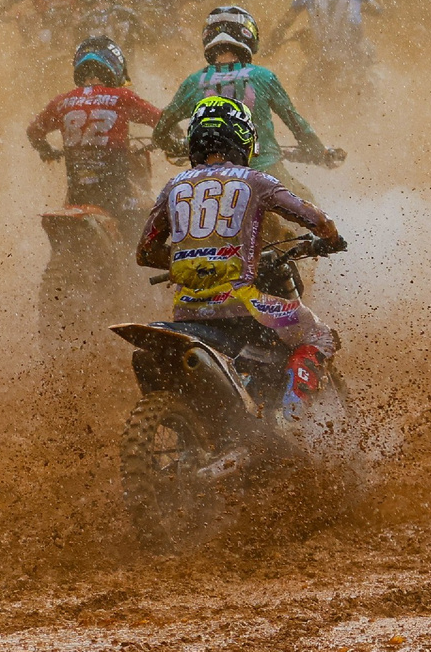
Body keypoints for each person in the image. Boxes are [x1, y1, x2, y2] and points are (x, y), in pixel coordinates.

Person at [134, 95, 347, 429]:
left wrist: (191, 259)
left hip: (188, 311)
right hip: (244, 305)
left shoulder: (172, 186)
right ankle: (292, 420)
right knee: (319, 335)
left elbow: (146, 252)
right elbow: (312, 217)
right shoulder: (254, 180)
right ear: (243, 138)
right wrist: (331, 238)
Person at [150, 8, 335, 196]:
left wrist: (179, 147)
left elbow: (160, 131)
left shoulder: (193, 82)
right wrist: (318, 151)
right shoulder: (263, 76)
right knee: (309, 207)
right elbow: (296, 123)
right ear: (248, 35)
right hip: (263, 170)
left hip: (211, 181)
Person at [26, 38, 163, 231]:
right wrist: (171, 140)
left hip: (78, 197)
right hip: (116, 197)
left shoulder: (61, 102)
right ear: (114, 66)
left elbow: (33, 132)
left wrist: (46, 150)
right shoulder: (121, 97)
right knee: (152, 215)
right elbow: (163, 120)